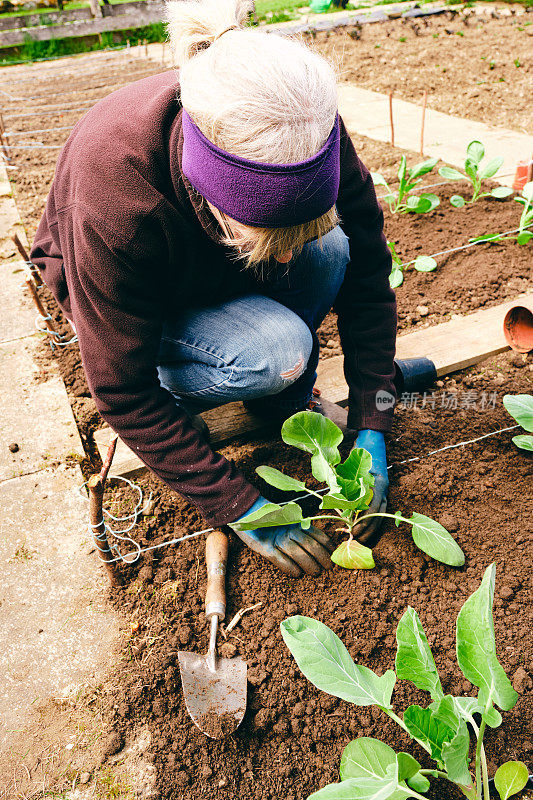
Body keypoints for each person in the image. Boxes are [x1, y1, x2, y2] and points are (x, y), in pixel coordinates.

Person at [31, 0, 397, 578]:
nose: (284, 255)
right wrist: (237, 503)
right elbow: (119, 391)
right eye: (269, 236)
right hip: (141, 305)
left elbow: (370, 278)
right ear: (212, 196)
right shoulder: (116, 196)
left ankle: (280, 399)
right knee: (276, 352)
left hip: (213, 266)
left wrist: (374, 418)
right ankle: (193, 393)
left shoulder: (306, 129)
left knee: (334, 251)